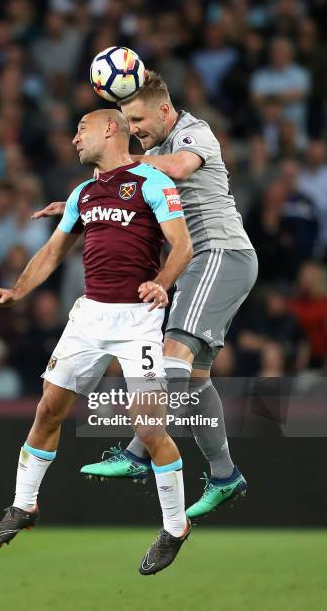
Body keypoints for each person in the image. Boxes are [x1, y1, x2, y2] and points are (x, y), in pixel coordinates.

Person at [34, 71, 258, 520]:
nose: (133, 130)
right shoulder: (149, 154)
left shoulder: (193, 132)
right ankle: (224, 474)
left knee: (171, 355)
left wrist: (120, 162)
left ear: (163, 110)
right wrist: (82, 199)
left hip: (218, 252)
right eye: (127, 122)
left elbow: (177, 168)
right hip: (198, 263)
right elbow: (129, 194)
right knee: (194, 380)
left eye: (137, 119)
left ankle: (137, 452)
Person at [0, 109, 193, 576]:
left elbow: (182, 245)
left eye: (81, 128)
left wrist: (161, 281)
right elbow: (53, 250)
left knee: (148, 429)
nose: (74, 137)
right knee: (47, 409)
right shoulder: (82, 193)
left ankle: (175, 527)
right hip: (88, 317)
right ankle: (24, 505)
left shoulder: (151, 183)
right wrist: (17, 290)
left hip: (137, 318)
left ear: (110, 129)